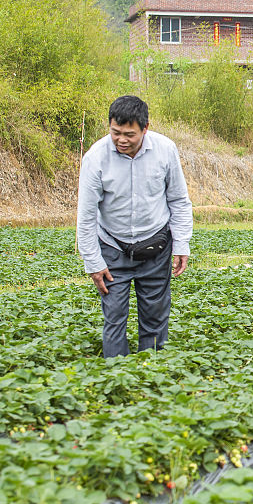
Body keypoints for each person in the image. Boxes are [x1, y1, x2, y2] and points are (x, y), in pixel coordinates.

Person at [76, 95, 193, 358]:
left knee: (155, 317)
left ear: (145, 128)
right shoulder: (95, 158)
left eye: (129, 134)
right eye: (115, 132)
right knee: (114, 317)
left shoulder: (165, 150)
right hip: (113, 249)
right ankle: (117, 379)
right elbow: (85, 215)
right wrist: (93, 262)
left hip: (156, 246)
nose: (121, 140)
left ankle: (150, 376)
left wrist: (182, 243)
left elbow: (179, 200)